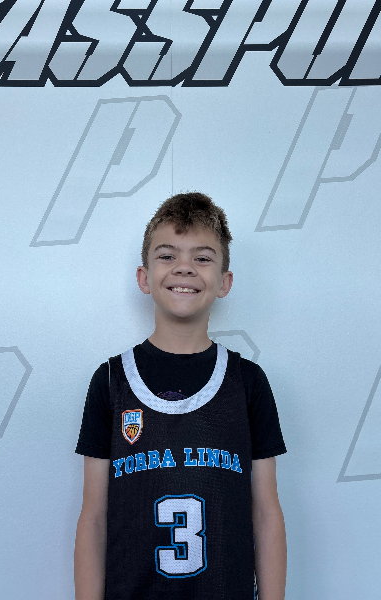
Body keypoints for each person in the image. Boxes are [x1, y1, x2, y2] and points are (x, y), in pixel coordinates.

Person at [74, 192, 287, 600]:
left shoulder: (248, 382)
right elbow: (94, 516)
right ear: (144, 277)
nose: (184, 267)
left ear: (224, 282)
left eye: (202, 258)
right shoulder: (111, 381)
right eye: (167, 255)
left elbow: (266, 512)